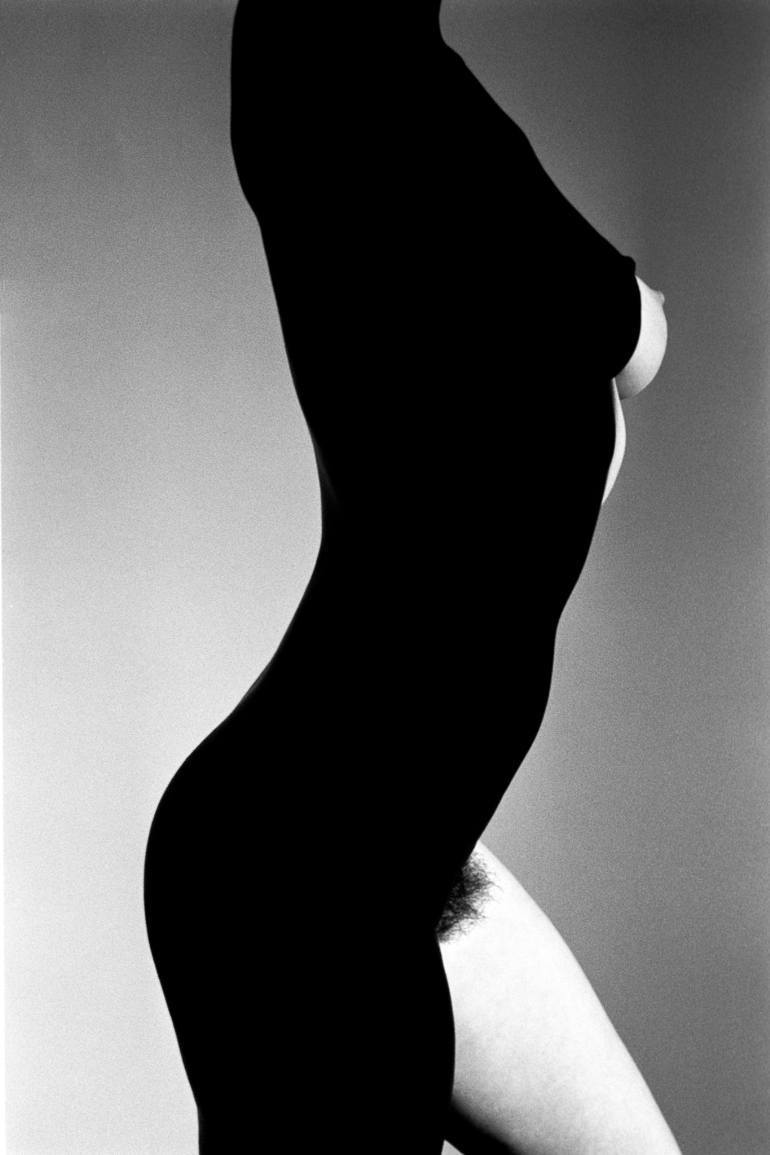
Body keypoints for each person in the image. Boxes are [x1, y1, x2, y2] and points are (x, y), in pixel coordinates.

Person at [143, 2, 670, 1150]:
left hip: (400, 865)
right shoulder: (356, 74)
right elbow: (637, 336)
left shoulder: (351, 96)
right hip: (308, 892)